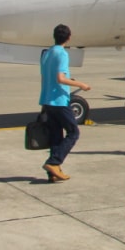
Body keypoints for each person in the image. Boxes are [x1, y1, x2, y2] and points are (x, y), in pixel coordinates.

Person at [39, 24, 91, 182]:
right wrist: (81, 84)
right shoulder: (62, 53)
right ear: (68, 37)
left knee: (56, 136)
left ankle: (53, 173)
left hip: (47, 100)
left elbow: (49, 77)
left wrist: (69, 81)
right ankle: (54, 162)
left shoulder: (47, 53)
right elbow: (60, 78)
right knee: (73, 132)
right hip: (59, 101)